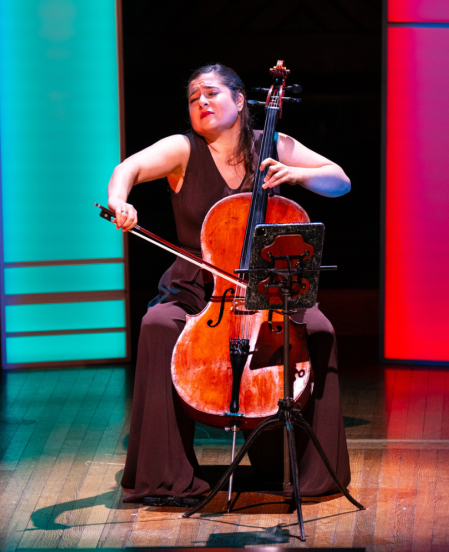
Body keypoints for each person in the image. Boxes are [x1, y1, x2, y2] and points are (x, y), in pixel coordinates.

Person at [107, 63, 351, 504]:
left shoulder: (272, 144)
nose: (201, 102)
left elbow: (340, 181)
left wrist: (298, 176)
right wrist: (119, 201)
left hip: (268, 287)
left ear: (240, 101)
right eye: (193, 96)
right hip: (199, 286)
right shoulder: (183, 149)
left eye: (212, 93)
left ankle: (308, 472)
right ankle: (166, 476)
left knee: (319, 330)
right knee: (157, 326)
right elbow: (129, 167)